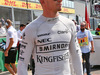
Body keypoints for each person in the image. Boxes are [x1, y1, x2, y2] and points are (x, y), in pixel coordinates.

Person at [17, 0, 83, 75]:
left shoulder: (69, 24)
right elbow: (22, 63)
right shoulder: (31, 28)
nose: (60, 0)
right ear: (43, 1)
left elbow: (76, 56)